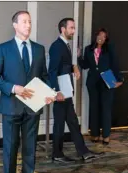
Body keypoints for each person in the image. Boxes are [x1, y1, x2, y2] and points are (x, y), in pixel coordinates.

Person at [0, 11, 54, 173]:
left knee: (30, 147)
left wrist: (48, 92)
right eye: (24, 22)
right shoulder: (3, 48)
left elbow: (44, 76)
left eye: (30, 22)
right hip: (11, 106)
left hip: (33, 106)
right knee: (10, 147)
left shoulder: (39, 49)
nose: (28, 25)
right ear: (15, 25)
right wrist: (13, 88)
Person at [48, 18, 103, 164]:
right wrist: (56, 91)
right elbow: (52, 71)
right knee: (60, 123)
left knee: (72, 121)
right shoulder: (56, 46)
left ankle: (83, 152)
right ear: (63, 29)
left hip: (66, 90)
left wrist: (74, 67)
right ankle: (58, 153)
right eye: (71, 28)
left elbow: (63, 65)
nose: (73, 30)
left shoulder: (65, 45)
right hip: (61, 91)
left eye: (74, 28)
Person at [78, 28, 123, 145]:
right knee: (94, 108)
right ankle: (95, 134)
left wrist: (119, 79)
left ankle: (106, 136)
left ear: (106, 38)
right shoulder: (89, 49)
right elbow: (85, 65)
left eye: (104, 36)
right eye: (100, 35)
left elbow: (115, 63)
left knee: (106, 109)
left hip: (108, 78)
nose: (101, 38)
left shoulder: (110, 48)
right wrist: (78, 57)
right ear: (96, 36)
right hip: (93, 81)